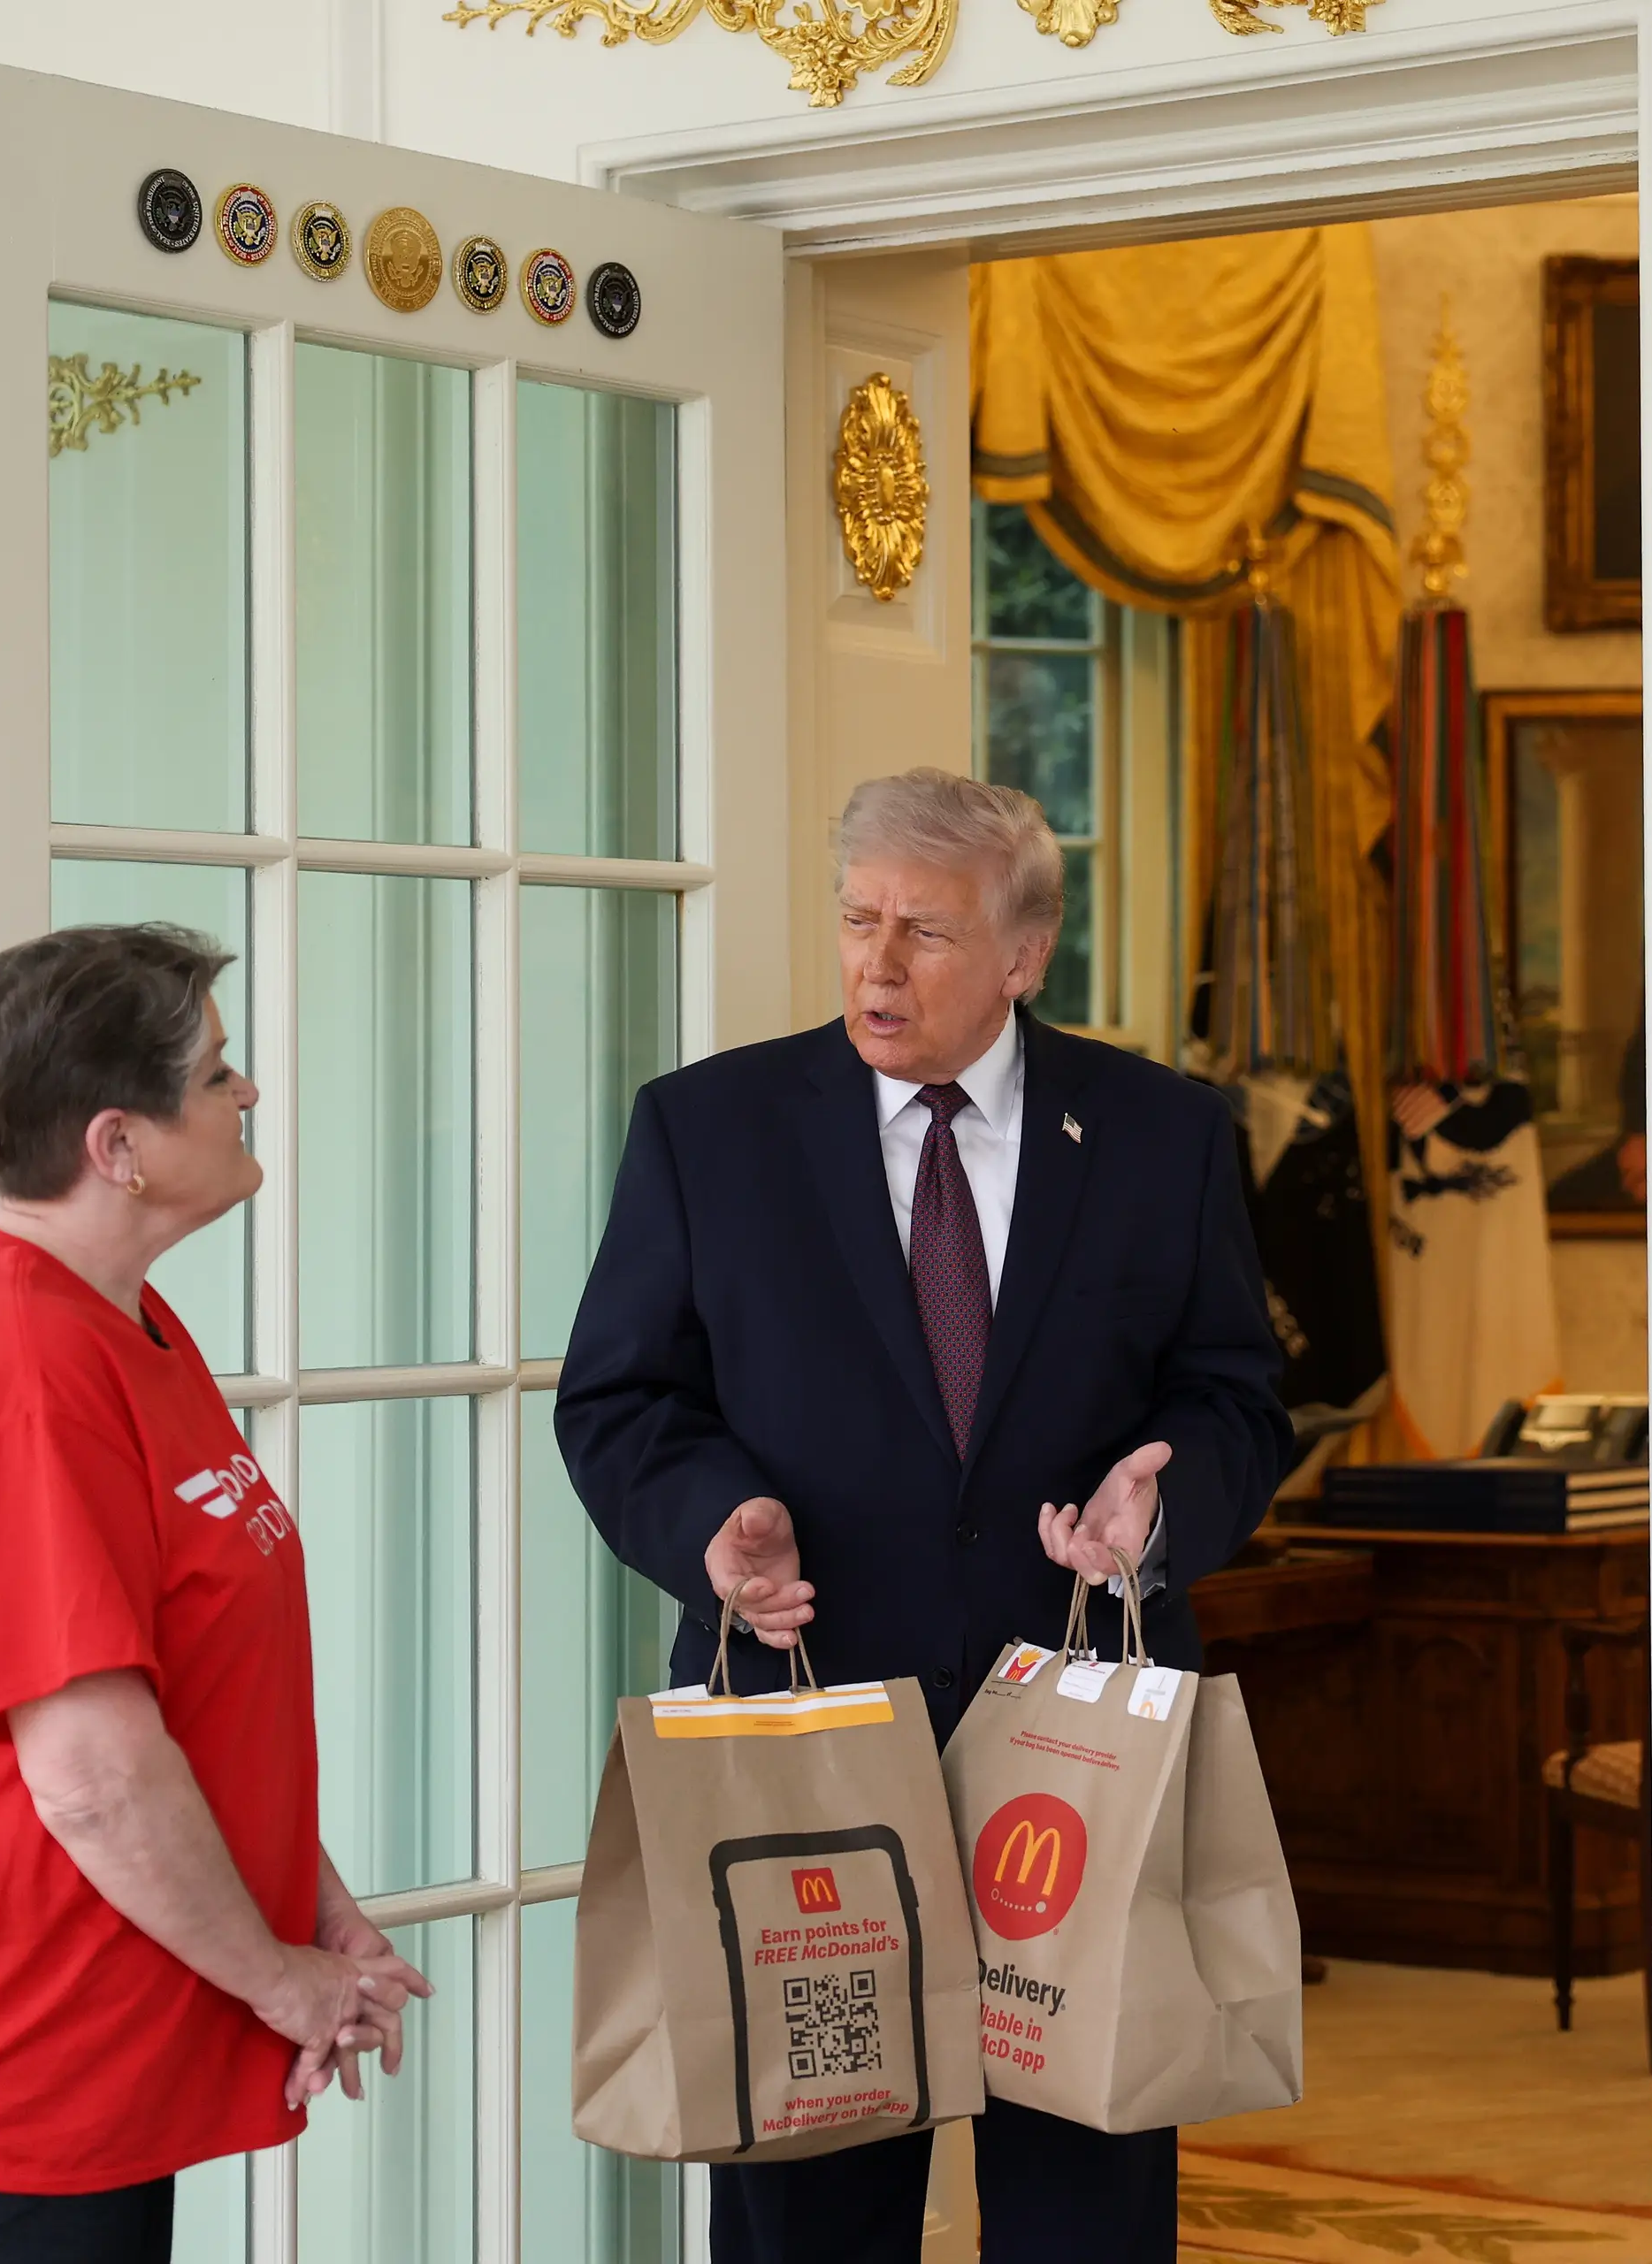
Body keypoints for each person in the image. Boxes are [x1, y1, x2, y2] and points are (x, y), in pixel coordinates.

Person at [558, 769, 1292, 2263]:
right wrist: (715, 1525)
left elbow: (1236, 1395)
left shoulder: (1163, 1134)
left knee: (1084, 2213)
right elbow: (619, 1400)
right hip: (807, 1737)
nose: (878, 967)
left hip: (1076, 1746)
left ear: (1026, 954)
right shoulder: (711, 1130)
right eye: (858, 921)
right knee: (809, 2221)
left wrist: (1154, 1514)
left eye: (929, 934)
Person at [0, 923, 429, 2264]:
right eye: (217, 1074)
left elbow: (185, 1694)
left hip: (99, 2035)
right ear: (117, 1145)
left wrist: (309, 1903)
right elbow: (93, 1776)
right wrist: (283, 1983)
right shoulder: (20, 1376)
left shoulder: (127, 1319)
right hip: (6, 2052)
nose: (246, 1094)